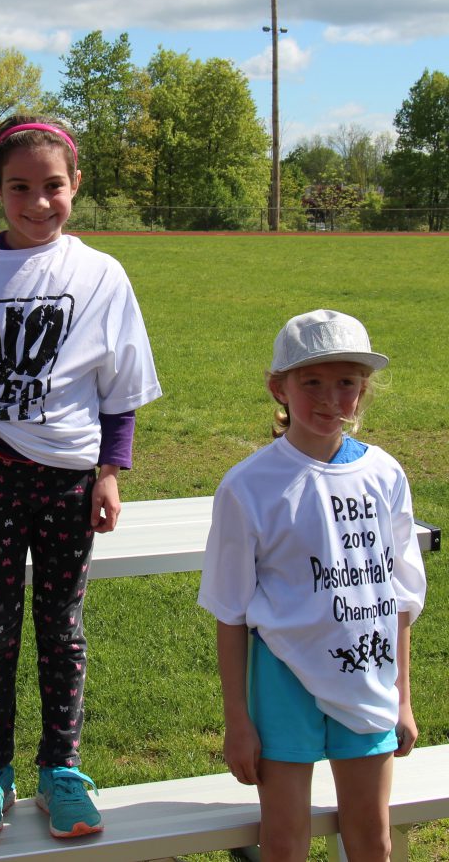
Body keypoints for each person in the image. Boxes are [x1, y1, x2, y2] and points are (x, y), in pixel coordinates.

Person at [0, 115, 162, 838]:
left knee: (63, 627)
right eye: (19, 187)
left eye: (52, 186)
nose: (38, 204)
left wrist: (110, 472)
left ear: (76, 184)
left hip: (67, 479)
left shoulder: (99, 274)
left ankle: (62, 768)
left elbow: (119, 384)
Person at [198, 309, 426, 861]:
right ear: (279, 387)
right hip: (284, 679)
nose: (331, 399)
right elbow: (230, 613)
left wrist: (403, 698)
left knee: (371, 837)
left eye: (347, 382)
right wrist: (238, 723)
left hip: (366, 677)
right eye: (312, 382)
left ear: (364, 389)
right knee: (284, 840)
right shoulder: (249, 486)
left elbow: (397, 595)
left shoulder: (385, 474)